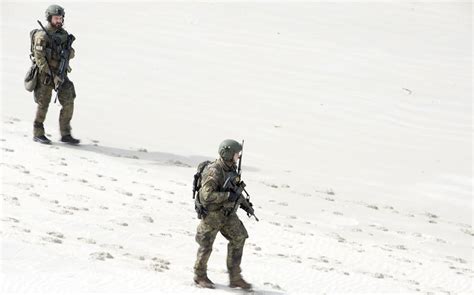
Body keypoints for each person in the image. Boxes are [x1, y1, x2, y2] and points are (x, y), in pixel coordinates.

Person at [193, 139, 252, 290]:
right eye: (236, 153)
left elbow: (235, 191)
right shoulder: (214, 171)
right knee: (206, 245)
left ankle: (235, 277)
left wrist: (245, 204)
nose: (238, 156)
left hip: (227, 214)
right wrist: (227, 197)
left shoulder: (231, 168)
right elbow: (206, 195)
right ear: (228, 153)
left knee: (239, 237)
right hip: (212, 215)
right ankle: (200, 276)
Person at [32, 4, 79, 145]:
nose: (59, 20)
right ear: (49, 18)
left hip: (61, 74)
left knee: (69, 100)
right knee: (43, 104)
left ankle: (65, 133)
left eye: (60, 18)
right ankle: (38, 133)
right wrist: (50, 74)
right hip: (45, 76)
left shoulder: (63, 35)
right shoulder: (42, 35)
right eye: (56, 18)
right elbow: (39, 58)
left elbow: (72, 53)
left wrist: (68, 53)